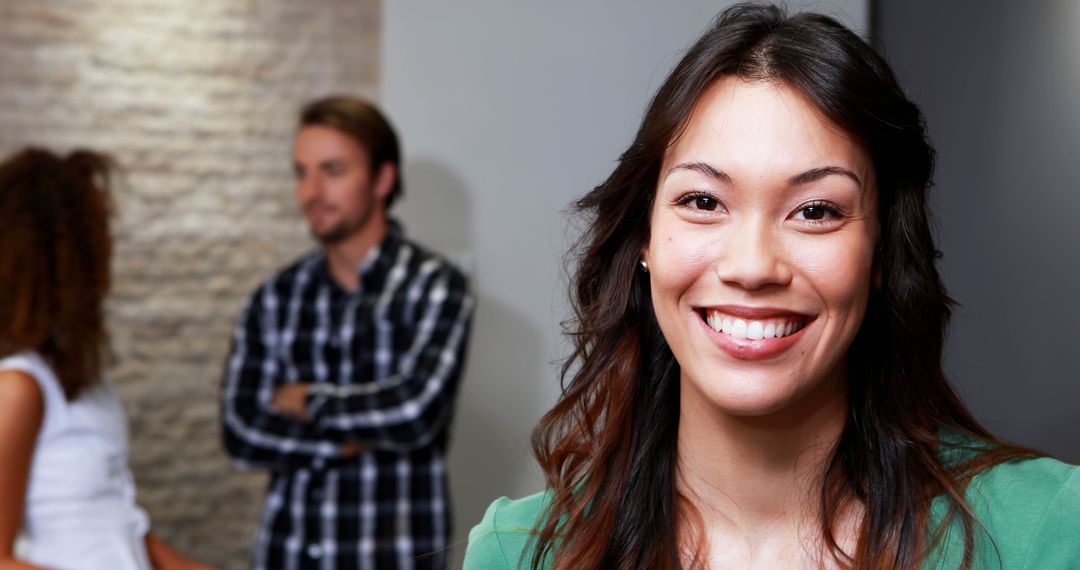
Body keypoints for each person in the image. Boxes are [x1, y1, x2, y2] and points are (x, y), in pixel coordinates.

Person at [464, 4, 1079, 570]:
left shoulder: (1047, 530)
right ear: (644, 238)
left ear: (884, 252)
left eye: (815, 210)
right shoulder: (517, 551)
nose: (753, 266)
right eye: (703, 201)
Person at [221, 96, 475, 569]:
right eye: (302, 172)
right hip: (288, 554)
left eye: (332, 170)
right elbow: (240, 430)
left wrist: (307, 400)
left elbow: (416, 411)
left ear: (383, 179)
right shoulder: (273, 296)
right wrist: (343, 440)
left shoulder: (435, 286)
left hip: (394, 553)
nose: (311, 191)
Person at [0, 148, 212, 570]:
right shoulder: (18, 389)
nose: (110, 245)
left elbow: (119, 521)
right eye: (99, 230)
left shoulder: (87, 381)